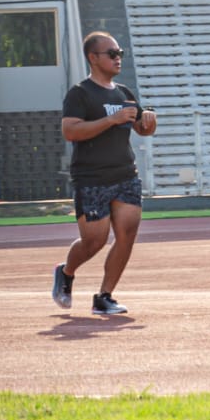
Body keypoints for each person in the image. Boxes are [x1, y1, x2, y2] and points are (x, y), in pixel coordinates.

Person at [53, 32, 157, 315]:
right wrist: (110, 119)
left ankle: (105, 296)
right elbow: (71, 131)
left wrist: (149, 121)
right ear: (93, 58)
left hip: (125, 174)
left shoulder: (124, 93)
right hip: (91, 178)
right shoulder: (80, 93)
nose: (117, 58)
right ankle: (66, 271)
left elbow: (142, 129)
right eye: (111, 54)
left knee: (127, 234)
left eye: (119, 53)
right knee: (95, 241)